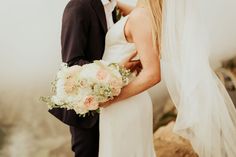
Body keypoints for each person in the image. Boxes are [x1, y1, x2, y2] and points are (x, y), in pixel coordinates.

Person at [49, 0, 140, 156]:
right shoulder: (78, 7)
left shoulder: (113, 8)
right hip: (88, 109)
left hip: (116, 106)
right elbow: (73, 63)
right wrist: (116, 69)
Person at [98, 0, 162, 156]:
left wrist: (112, 98)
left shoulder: (140, 17)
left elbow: (153, 74)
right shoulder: (142, 12)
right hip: (123, 102)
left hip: (125, 103)